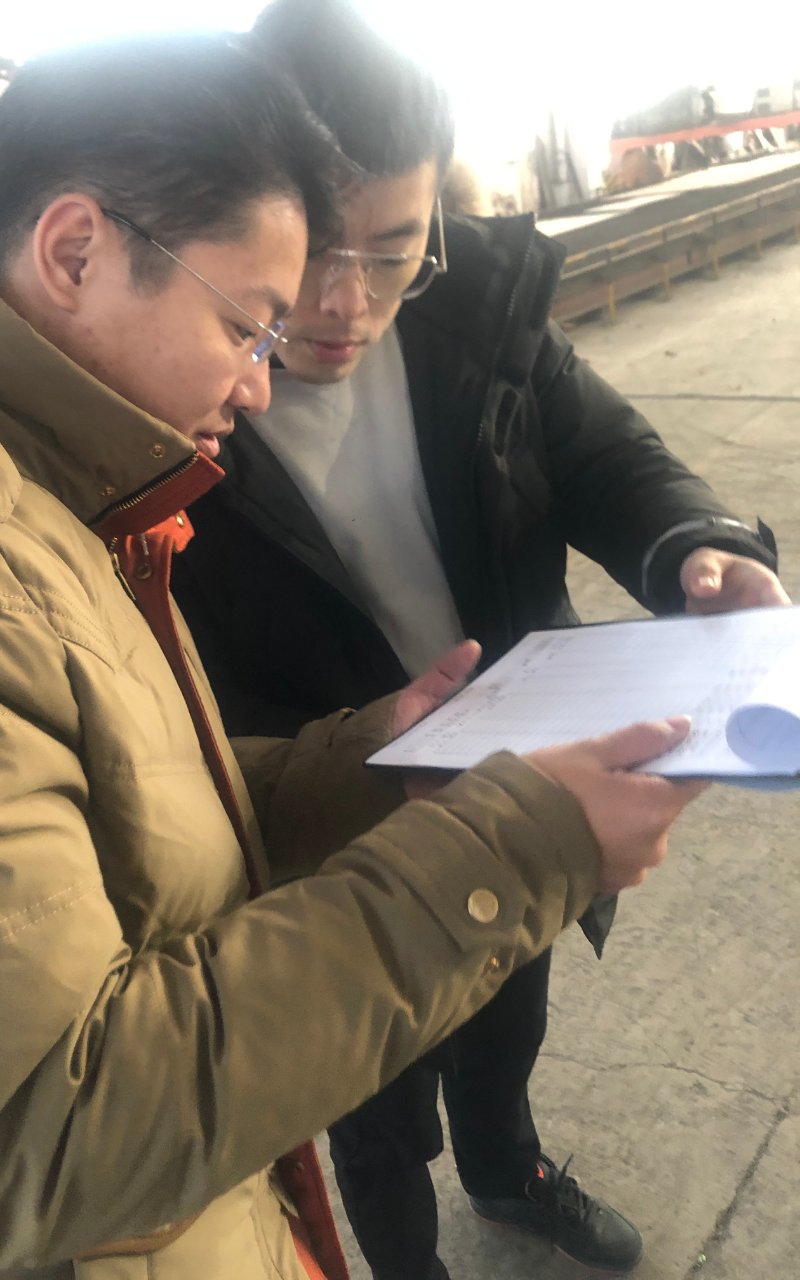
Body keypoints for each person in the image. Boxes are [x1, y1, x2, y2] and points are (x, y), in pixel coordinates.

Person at [0, 29, 706, 1280]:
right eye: (248, 325)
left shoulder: (31, 485)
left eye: (393, 256)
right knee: (381, 1126)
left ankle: (504, 1164)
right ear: (76, 252)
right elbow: (39, 1144)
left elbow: (121, 807)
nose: (260, 385)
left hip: (221, 1174)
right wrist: (518, 846)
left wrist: (370, 763)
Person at [169, 3, 790, 1278]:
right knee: (372, 1096)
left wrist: (698, 547)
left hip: (516, 761)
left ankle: (509, 1171)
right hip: (330, 813)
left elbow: (609, 454)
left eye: (394, 251)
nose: (346, 305)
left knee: (510, 1005)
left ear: (435, 221)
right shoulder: (181, 391)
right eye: (312, 255)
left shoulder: (476, 317)